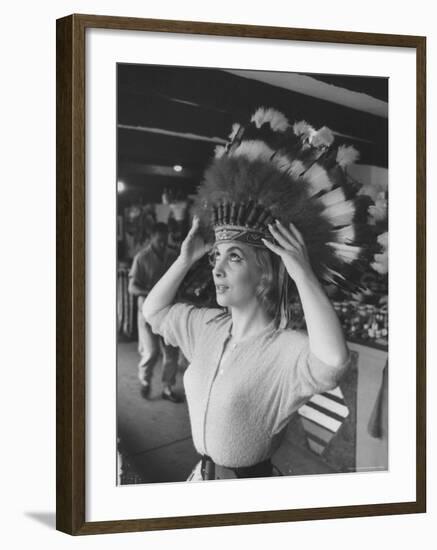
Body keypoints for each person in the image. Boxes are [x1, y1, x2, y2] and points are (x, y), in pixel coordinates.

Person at [142, 107, 378, 480]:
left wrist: (301, 271)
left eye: (233, 257)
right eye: (217, 257)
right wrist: (185, 259)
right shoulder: (206, 326)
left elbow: (333, 362)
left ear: (264, 272)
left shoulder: (285, 349)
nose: (216, 268)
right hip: (198, 481)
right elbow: (153, 313)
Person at [128, 222, 182, 403]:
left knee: (172, 353)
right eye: (159, 240)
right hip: (147, 312)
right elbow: (132, 287)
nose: (162, 244)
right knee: (150, 352)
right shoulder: (141, 258)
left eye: (164, 240)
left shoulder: (173, 255)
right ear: (151, 238)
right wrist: (152, 293)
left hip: (168, 312)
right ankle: (145, 380)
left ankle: (167, 387)